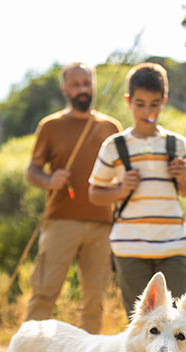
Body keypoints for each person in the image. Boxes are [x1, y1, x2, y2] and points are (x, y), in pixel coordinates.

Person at [88, 62, 186, 352]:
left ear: (164, 101)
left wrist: (182, 175)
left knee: (181, 335)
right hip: (131, 249)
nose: (147, 111)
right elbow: (95, 193)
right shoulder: (114, 146)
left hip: (172, 244)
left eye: (154, 104)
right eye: (140, 104)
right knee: (145, 336)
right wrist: (120, 187)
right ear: (128, 102)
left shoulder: (176, 144)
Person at [24, 62, 122, 334]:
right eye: (76, 84)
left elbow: (123, 173)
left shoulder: (111, 127)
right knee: (44, 292)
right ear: (64, 88)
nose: (82, 89)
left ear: (94, 86)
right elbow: (31, 171)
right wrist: (48, 180)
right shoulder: (50, 126)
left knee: (95, 300)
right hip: (60, 221)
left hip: (103, 224)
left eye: (86, 83)